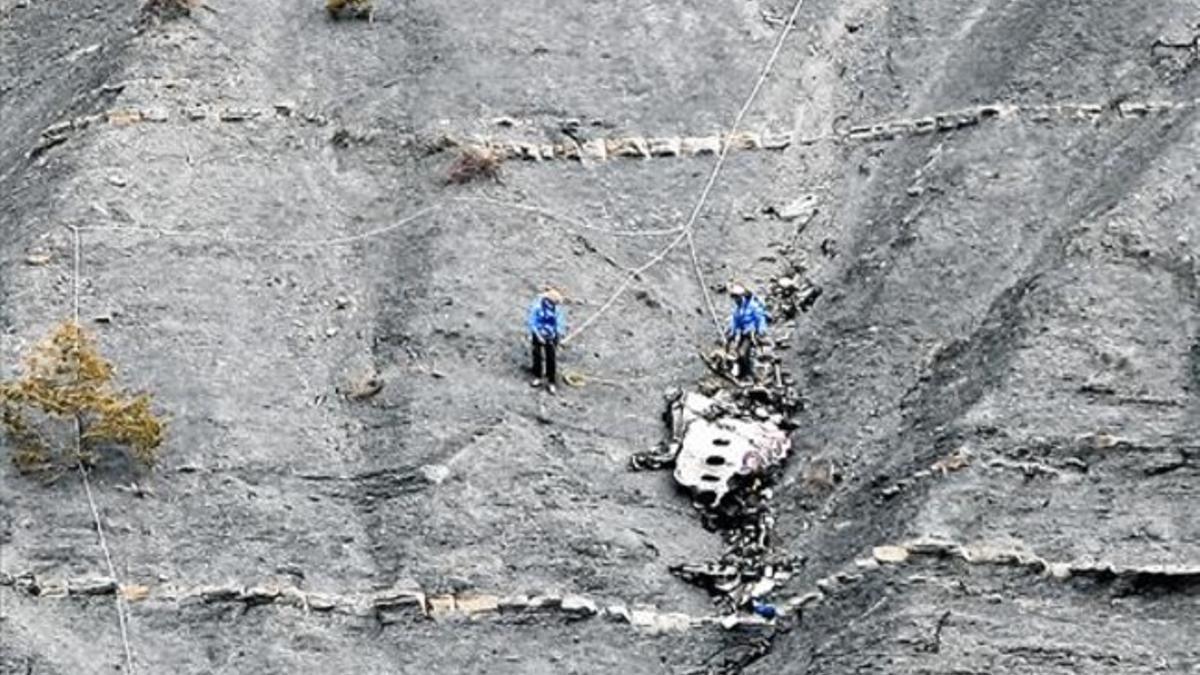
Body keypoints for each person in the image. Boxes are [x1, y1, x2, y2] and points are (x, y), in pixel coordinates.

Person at [725, 283, 768, 382]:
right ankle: (740, 373)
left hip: (751, 334)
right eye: (735, 298)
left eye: (738, 297)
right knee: (735, 352)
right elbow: (735, 322)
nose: (736, 300)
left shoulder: (752, 306)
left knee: (743, 353)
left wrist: (761, 330)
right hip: (742, 334)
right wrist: (731, 332)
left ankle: (749, 373)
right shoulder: (738, 310)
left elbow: (760, 317)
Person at [527, 289, 566, 393]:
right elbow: (532, 321)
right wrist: (538, 335)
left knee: (551, 358)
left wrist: (558, 336)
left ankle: (551, 381)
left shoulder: (556, 309)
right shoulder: (537, 306)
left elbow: (560, 322)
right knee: (537, 356)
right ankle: (537, 376)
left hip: (551, 336)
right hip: (538, 333)